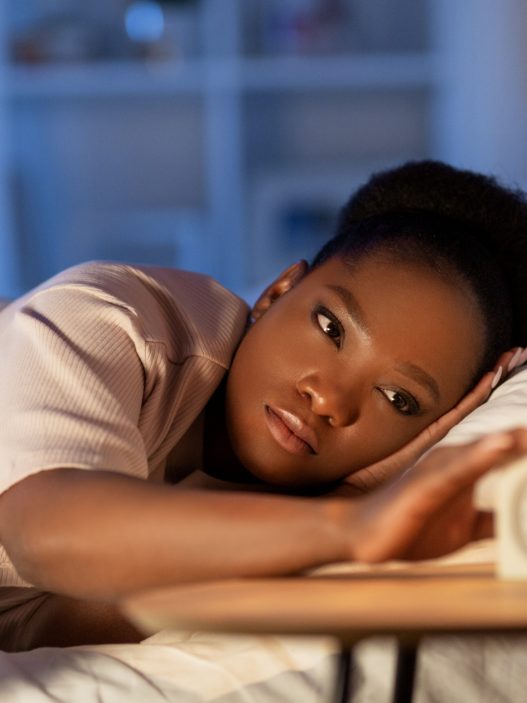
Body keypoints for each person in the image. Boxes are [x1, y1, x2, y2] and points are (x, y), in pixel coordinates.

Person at [1, 160, 527, 651]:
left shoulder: (296, 507)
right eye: (331, 328)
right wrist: (345, 526)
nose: (329, 399)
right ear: (276, 294)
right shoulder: (112, 320)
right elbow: (43, 535)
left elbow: (35, 624)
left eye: (398, 399)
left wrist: (337, 507)